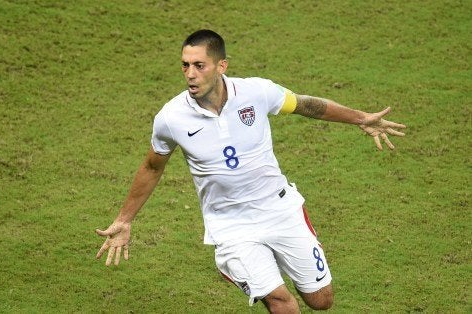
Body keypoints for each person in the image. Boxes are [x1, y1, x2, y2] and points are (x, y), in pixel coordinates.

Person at [95, 29, 406, 312]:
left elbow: (306, 105)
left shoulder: (256, 92)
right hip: (231, 225)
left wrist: (360, 118)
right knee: (280, 300)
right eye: (185, 65)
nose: (190, 74)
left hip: (279, 208)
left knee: (321, 300)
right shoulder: (171, 118)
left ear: (221, 66)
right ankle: (245, 267)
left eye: (199, 65)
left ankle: (283, 260)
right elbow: (152, 166)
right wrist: (124, 219)